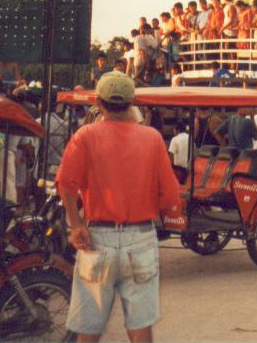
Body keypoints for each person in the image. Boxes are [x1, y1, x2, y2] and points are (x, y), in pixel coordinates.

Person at [56, 72, 180, 342]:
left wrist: (76, 225)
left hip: (97, 239)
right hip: (141, 240)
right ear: (132, 102)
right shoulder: (153, 138)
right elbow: (171, 196)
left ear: (99, 103)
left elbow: (65, 185)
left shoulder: (85, 135)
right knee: (140, 329)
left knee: (88, 331)